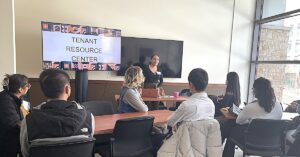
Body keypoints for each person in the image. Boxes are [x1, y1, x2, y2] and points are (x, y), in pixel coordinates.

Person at [20, 69, 95, 157]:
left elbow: (25, 152)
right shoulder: (88, 117)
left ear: (43, 91)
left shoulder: (28, 120)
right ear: (67, 89)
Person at [158, 68, 222, 157]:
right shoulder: (211, 104)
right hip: (204, 148)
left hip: (184, 147)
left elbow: (170, 122)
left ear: (191, 84)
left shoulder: (187, 105)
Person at [223, 77, 283, 157]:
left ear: (256, 90)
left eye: (253, 89)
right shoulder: (279, 106)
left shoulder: (251, 107)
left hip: (252, 142)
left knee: (230, 129)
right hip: (272, 142)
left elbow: (238, 121)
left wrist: (250, 120)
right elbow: (277, 119)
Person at [0, 74, 30, 157]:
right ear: (20, 89)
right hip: (6, 145)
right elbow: (13, 124)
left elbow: (26, 114)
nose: (29, 87)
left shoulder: (18, 98)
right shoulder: (5, 100)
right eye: (27, 85)